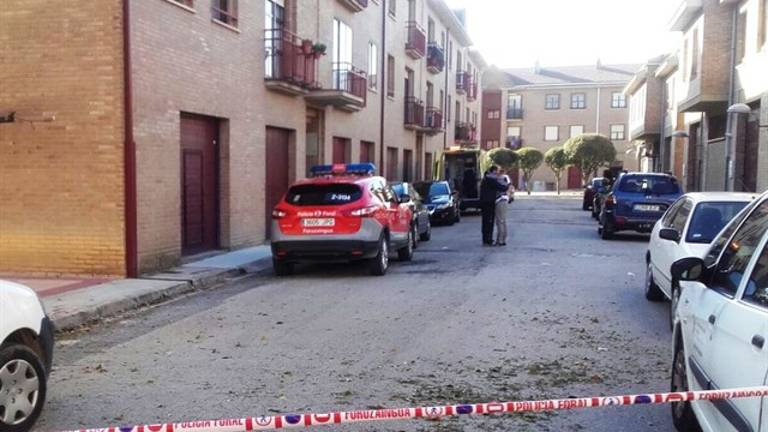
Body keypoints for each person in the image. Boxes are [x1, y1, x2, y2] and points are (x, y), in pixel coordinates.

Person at [479, 166, 508, 246]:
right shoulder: (490, 179)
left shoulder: (486, 178)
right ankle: (488, 240)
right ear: (493, 171)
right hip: (489, 203)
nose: (497, 174)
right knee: (490, 222)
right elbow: (501, 187)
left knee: (486, 222)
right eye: (496, 172)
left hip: (485, 202)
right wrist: (507, 186)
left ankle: (487, 239)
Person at [494, 172, 511, 246]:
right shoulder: (506, 179)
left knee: (500, 221)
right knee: (503, 221)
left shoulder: (500, 179)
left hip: (500, 201)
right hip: (505, 201)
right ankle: (503, 239)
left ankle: (500, 240)